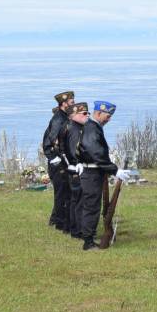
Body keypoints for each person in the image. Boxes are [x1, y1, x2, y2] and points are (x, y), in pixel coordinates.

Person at [73, 101, 132, 250]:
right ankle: (88, 242)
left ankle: (88, 237)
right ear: (98, 113)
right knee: (92, 207)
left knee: (92, 205)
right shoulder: (92, 128)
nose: (109, 119)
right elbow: (96, 153)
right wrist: (114, 170)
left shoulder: (92, 127)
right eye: (107, 116)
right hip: (92, 172)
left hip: (94, 171)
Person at [42, 90, 75, 232]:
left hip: (64, 161)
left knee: (65, 192)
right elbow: (49, 142)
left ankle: (56, 219)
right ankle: (59, 223)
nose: (74, 105)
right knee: (62, 193)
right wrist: (55, 159)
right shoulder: (58, 120)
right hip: (59, 164)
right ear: (64, 104)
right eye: (72, 103)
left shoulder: (65, 117)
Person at [61, 102, 89, 238]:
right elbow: (74, 150)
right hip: (77, 170)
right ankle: (79, 231)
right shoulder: (75, 130)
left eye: (88, 113)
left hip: (74, 169)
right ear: (74, 115)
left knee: (75, 200)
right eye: (84, 114)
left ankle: (74, 229)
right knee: (80, 201)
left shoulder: (77, 127)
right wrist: (79, 163)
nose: (87, 116)